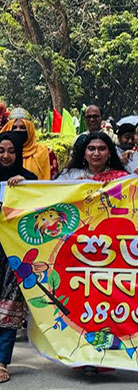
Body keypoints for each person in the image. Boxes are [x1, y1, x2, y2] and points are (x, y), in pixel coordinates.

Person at [0, 133, 35, 384]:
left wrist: (26, 187)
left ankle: (1, 361)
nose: (5, 156)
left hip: (13, 253)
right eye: (1, 150)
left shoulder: (28, 179)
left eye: (11, 151)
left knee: (10, 305)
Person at [0, 108, 57, 179]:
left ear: (29, 129)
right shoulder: (3, 156)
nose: (18, 130)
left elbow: (54, 182)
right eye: (14, 127)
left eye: (22, 127)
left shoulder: (46, 153)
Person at [57, 132, 128, 182]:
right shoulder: (69, 175)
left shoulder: (121, 178)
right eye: (91, 149)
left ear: (109, 153)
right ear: (84, 153)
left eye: (102, 149)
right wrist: (74, 185)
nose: (96, 154)